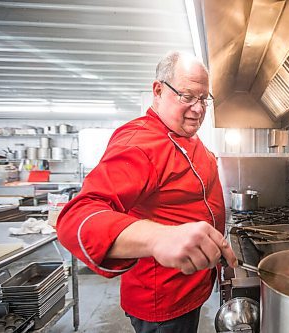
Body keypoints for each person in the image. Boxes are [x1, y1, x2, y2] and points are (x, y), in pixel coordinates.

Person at [56, 51, 237, 333]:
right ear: (158, 90)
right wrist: (158, 237)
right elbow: (76, 219)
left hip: (194, 285)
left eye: (204, 99)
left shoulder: (186, 136)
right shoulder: (139, 142)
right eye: (187, 97)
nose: (198, 109)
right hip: (162, 301)